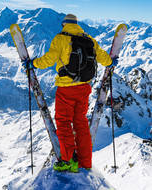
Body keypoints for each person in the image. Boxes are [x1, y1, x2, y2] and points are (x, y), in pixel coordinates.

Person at [23, 14, 117, 173]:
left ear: (64, 24)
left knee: (64, 121)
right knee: (80, 122)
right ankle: (85, 162)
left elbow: (48, 60)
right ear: (77, 24)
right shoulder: (89, 40)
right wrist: (111, 62)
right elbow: (103, 58)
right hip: (84, 88)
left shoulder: (60, 38)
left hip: (66, 88)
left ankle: (67, 160)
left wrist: (32, 63)